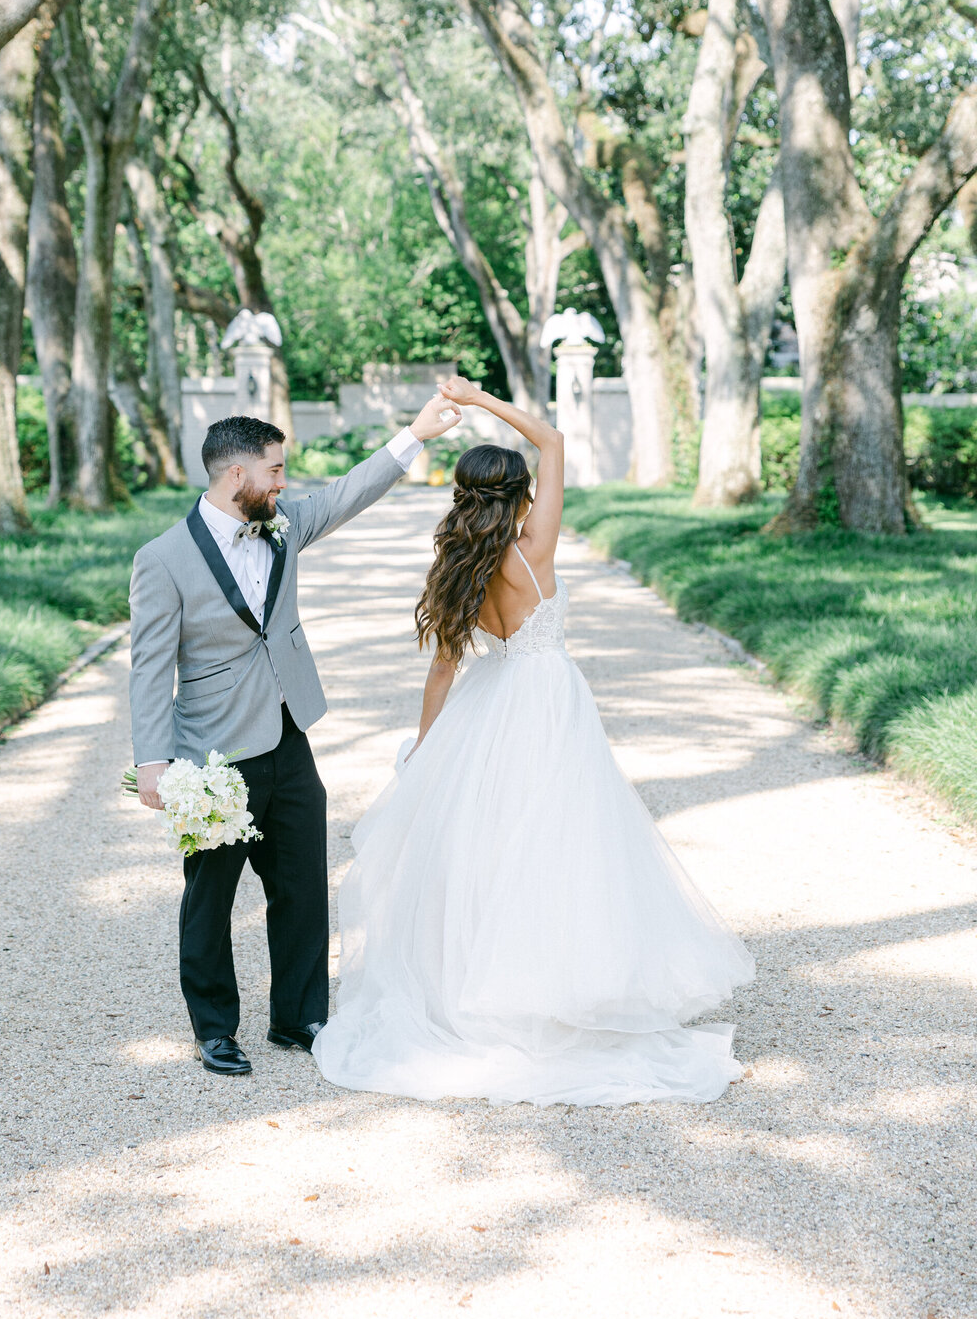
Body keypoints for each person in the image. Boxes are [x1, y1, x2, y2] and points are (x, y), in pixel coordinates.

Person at [312, 375, 755, 1107]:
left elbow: (442, 672)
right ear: (519, 492)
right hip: (547, 700)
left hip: (490, 707)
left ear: (462, 494)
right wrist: (482, 400)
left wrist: (426, 752)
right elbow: (551, 437)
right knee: (562, 842)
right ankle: (556, 984)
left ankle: (486, 983)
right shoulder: (534, 549)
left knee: (495, 846)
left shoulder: (459, 566)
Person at [129, 395, 461, 1076]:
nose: (285, 482)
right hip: (216, 757)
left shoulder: (280, 524)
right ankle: (216, 1028)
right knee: (210, 899)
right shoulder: (161, 560)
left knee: (303, 885)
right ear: (234, 477)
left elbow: (347, 494)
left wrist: (414, 436)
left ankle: (299, 1017)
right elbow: (149, 668)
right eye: (275, 471)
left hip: (289, 736)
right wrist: (152, 763)